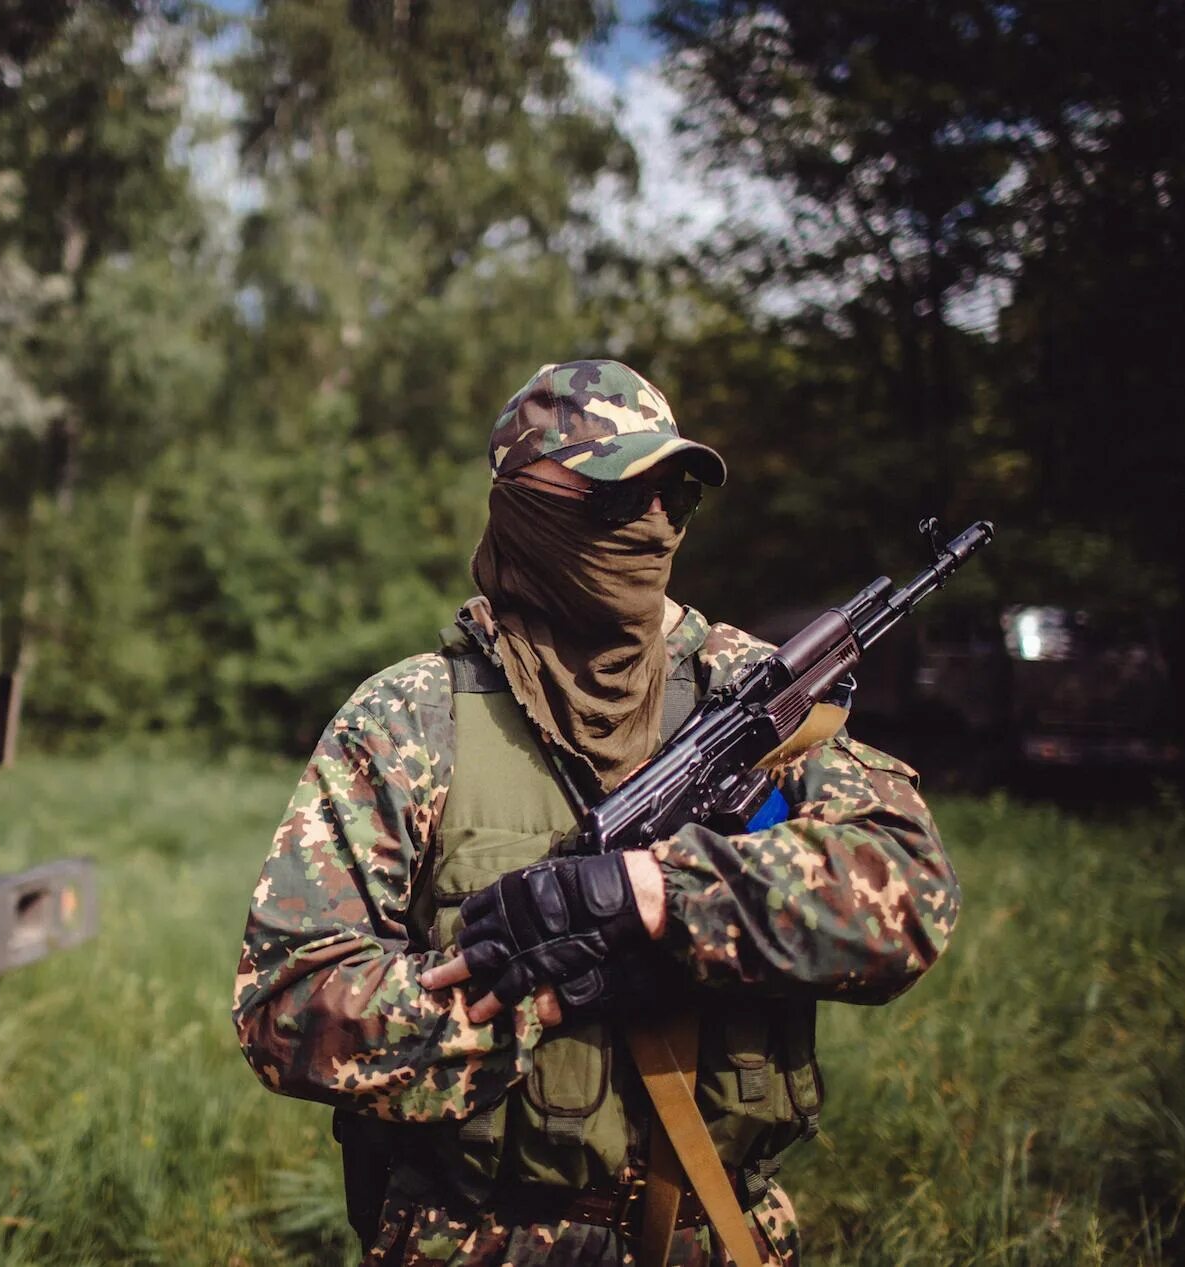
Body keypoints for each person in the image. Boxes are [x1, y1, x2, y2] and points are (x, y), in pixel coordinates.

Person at [233, 359, 958, 1265]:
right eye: (620, 499)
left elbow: (912, 894)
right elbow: (288, 1007)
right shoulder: (413, 720)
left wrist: (663, 893)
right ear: (525, 508)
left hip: (723, 1236)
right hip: (474, 1239)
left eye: (676, 497)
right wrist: (532, 995)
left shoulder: (753, 694)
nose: (654, 527)